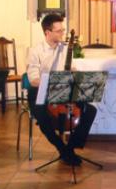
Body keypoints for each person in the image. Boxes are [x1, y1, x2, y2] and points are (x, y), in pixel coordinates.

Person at [26, 14, 97, 166]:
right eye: (58, 31)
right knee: (42, 115)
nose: (62, 34)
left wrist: (73, 73)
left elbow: (70, 70)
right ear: (47, 32)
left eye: (63, 30)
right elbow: (33, 80)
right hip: (41, 90)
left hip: (62, 92)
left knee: (90, 110)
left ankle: (70, 148)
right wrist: (53, 81)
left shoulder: (65, 49)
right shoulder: (35, 51)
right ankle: (62, 149)